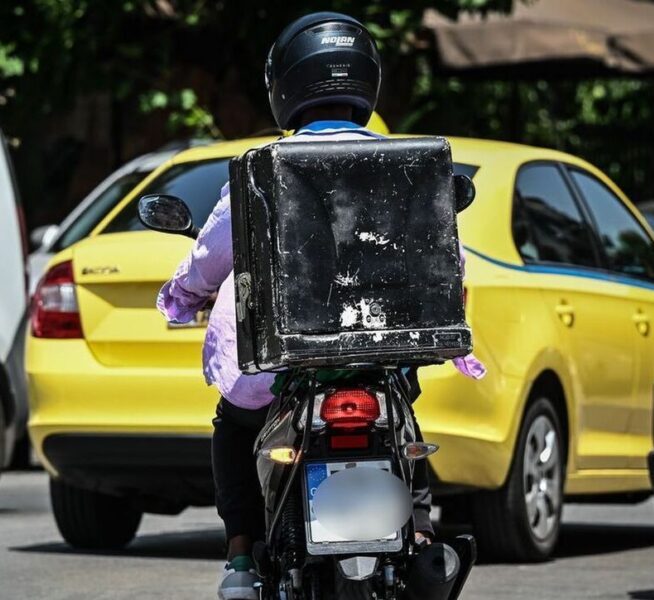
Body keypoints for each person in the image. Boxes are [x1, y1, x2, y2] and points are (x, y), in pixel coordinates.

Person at [156, 12, 485, 600]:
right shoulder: (410, 167)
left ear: (284, 86)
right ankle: (427, 540)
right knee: (403, 423)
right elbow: (447, 263)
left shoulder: (262, 171)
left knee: (233, 429)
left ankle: (239, 563)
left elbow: (208, 260)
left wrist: (183, 299)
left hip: (284, 370)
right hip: (384, 358)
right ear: (367, 82)